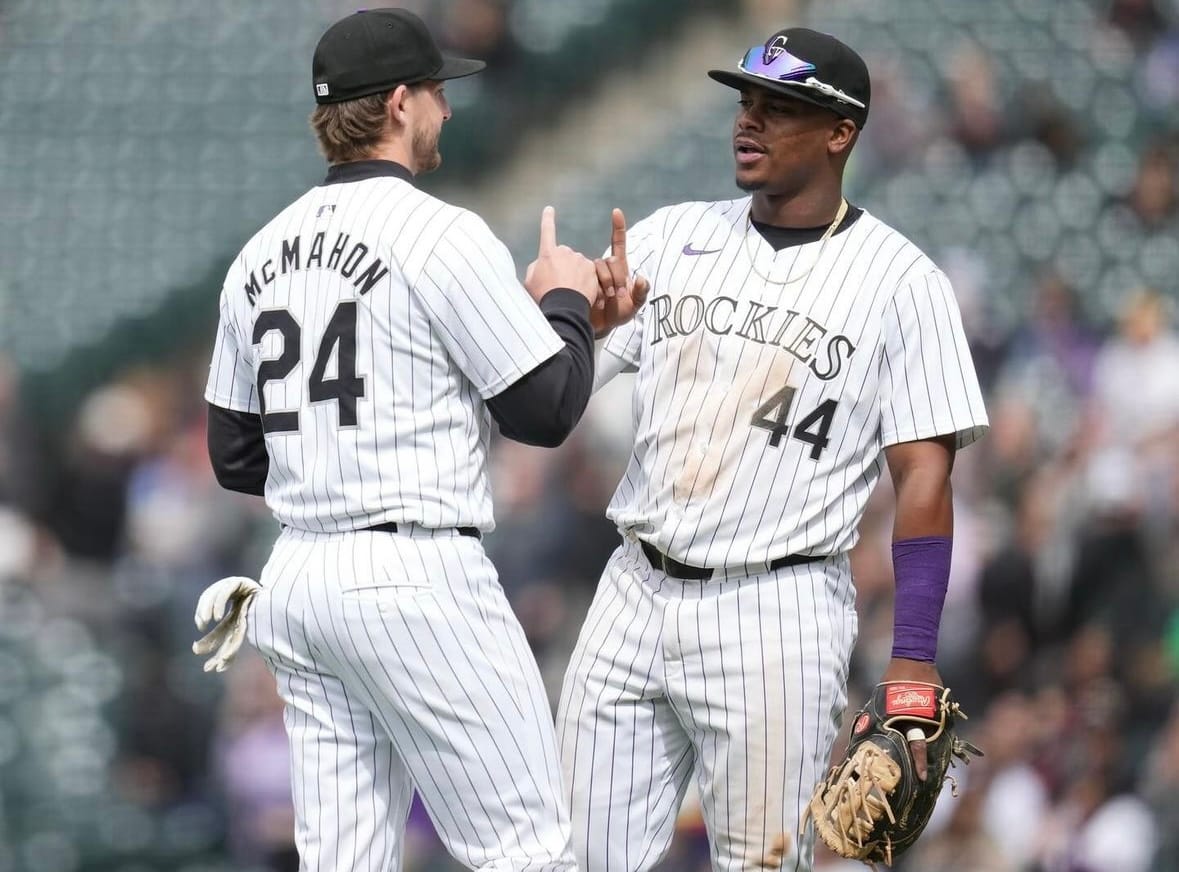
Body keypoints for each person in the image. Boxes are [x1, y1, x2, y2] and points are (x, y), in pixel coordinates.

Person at [557, 26, 989, 872]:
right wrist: (575, 325)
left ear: (841, 133)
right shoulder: (671, 235)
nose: (747, 122)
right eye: (745, 102)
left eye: (779, 107)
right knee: (572, 858)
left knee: (763, 864)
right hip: (632, 589)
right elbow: (555, 397)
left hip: (775, 609)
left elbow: (923, 479)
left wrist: (911, 663)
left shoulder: (903, 284)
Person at [198, 7, 619, 870]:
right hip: (415, 573)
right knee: (527, 850)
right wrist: (565, 304)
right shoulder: (441, 232)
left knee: (344, 860)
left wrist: (334, 458)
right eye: (435, 92)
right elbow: (543, 414)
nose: (447, 110)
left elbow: (233, 455)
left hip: (300, 582)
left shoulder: (256, 252)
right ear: (396, 103)